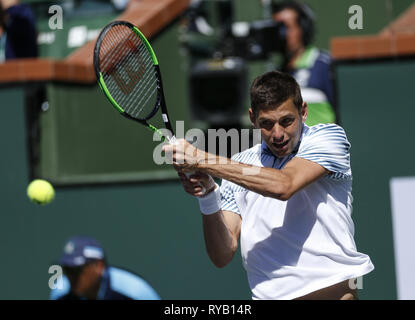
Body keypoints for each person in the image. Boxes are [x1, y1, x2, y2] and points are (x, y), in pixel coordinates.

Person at [163, 71, 374, 300]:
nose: (278, 134)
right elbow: (222, 254)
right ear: (253, 118)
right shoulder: (240, 166)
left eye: (286, 121)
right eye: (267, 123)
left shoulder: (328, 138)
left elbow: (284, 185)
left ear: (303, 111)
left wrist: (200, 158)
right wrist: (208, 196)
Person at [271, 1, 335, 126]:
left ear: (303, 29)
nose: (281, 35)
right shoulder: (274, 74)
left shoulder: (323, 65)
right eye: (277, 30)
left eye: (286, 28)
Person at [50, 235, 161, 300]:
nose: (71, 277)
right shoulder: (60, 291)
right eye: (67, 270)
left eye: (77, 270)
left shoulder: (134, 291)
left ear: (99, 266)